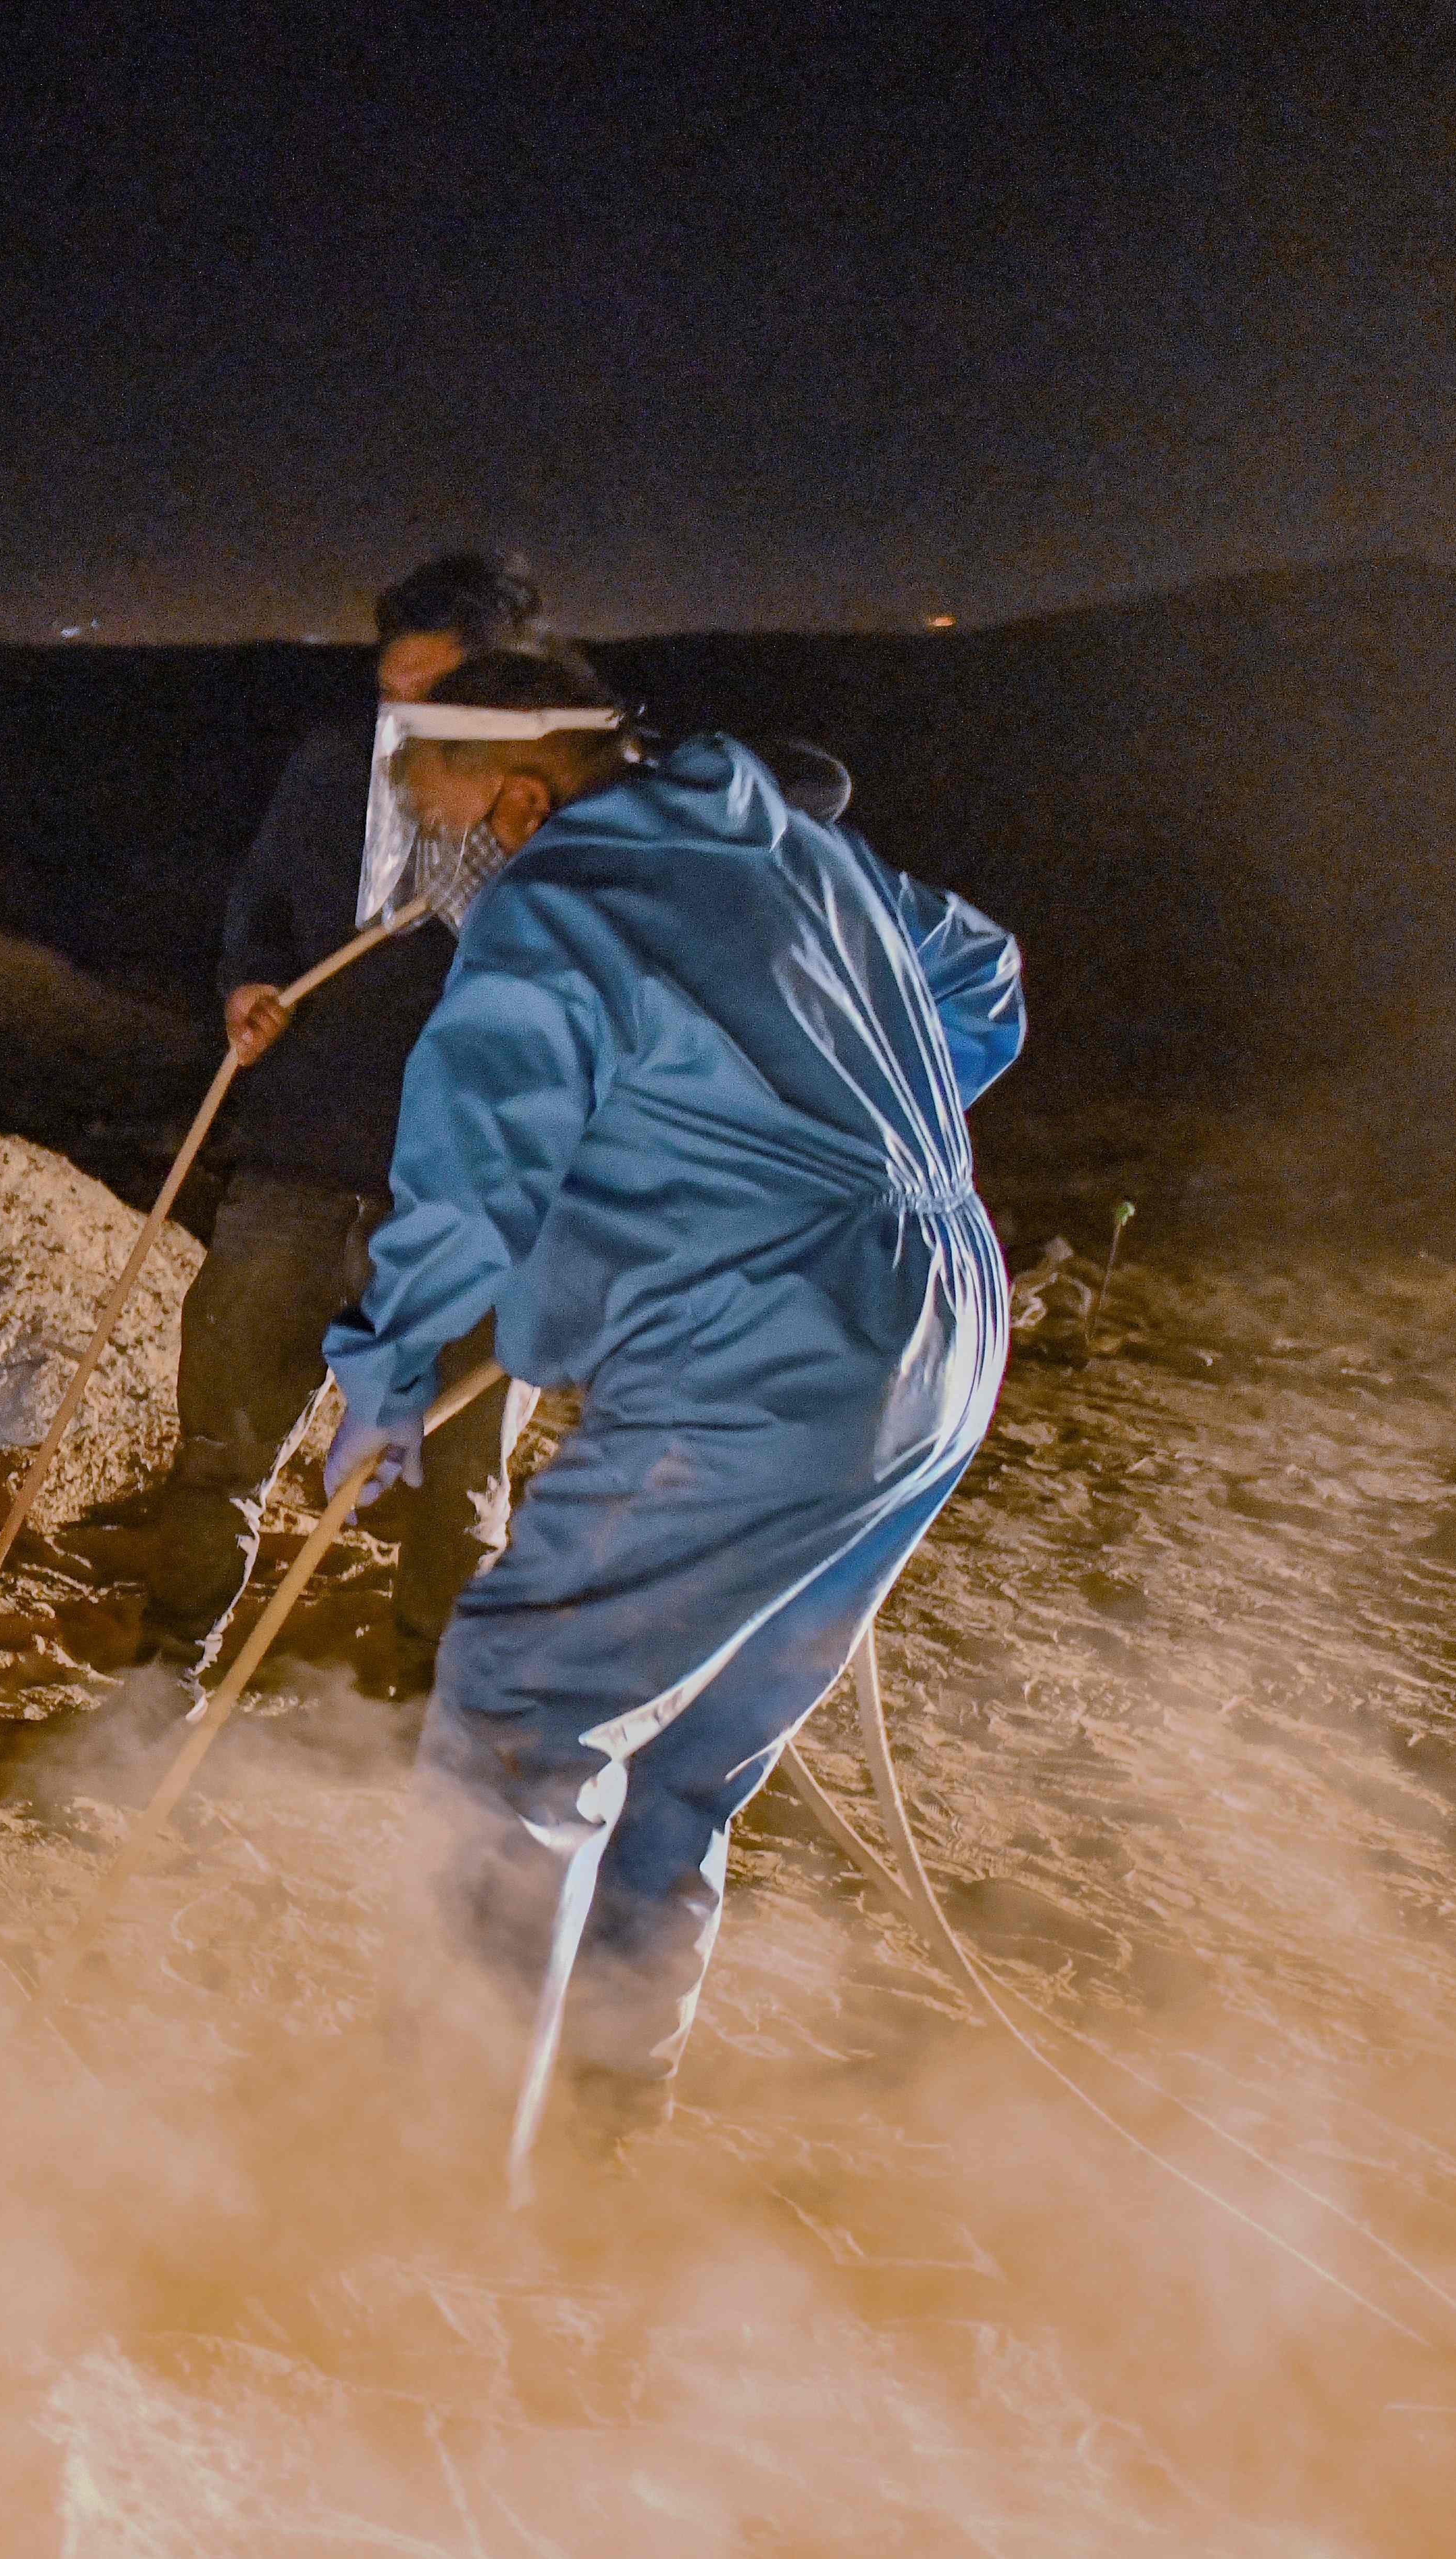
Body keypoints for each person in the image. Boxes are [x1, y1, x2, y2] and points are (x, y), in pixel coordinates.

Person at [320, 650, 1024, 2140]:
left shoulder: (559, 893)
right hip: (945, 1330)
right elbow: (982, 977)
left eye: (431, 804)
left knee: (525, 1708)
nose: (430, 843)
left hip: (762, 1354)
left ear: (517, 793)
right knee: (685, 1753)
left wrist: (382, 1369)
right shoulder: (795, 843)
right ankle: (600, 2119)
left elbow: (469, 1172)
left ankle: (429, 2174)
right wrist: (836, 1135)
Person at [149, 553, 552, 1690]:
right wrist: (248, 984)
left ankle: (429, 1706)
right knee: (219, 1444)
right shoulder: (331, 773)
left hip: (473, 1199)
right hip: (296, 1162)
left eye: (436, 696)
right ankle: (165, 1670)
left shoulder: (562, 821)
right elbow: (261, 911)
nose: (405, 723)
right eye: (394, 690)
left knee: (460, 1480)